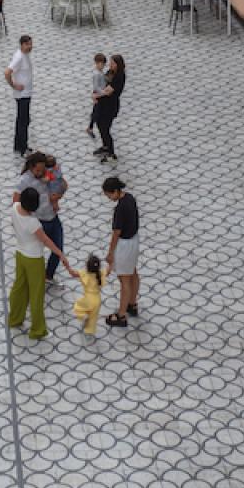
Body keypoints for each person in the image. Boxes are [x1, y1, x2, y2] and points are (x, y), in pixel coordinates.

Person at [7, 185, 72, 340]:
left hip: (20, 253)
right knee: (36, 294)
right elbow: (45, 240)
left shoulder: (15, 208)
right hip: (34, 258)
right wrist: (60, 253)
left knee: (19, 287)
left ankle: (15, 318)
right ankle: (37, 330)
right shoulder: (32, 222)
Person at [14, 152, 68, 281]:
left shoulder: (48, 174)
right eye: (38, 170)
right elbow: (16, 201)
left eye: (42, 169)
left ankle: (48, 275)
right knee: (35, 252)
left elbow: (63, 185)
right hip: (38, 221)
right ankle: (32, 275)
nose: (40, 173)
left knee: (58, 248)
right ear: (31, 167)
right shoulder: (24, 180)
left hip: (53, 218)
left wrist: (58, 196)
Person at [102, 177, 139, 328]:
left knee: (124, 280)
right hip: (134, 240)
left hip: (124, 245)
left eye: (109, 195)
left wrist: (111, 253)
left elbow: (116, 232)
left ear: (116, 191)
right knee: (133, 273)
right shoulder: (130, 198)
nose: (109, 198)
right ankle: (132, 304)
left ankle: (121, 315)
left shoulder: (120, 209)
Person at [5, 34, 35, 155]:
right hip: (22, 95)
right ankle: (23, 147)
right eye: (27, 44)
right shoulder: (19, 57)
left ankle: (18, 145)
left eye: (31, 44)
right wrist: (13, 85)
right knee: (24, 121)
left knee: (22, 120)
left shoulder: (24, 55)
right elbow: (7, 72)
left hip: (26, 93)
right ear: (22, 45)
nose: (30, 46)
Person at [93, 54, 125, 163]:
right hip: (103, 103)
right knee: (99, 124)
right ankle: (105, 146)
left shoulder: (119, 77)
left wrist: (96, 95)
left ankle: (111, 154)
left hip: (110, 106)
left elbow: (108, 91)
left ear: (118, 65)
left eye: (113, 63)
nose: (110, 64)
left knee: (105, 128)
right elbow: (103, 83)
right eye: (110, 62)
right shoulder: (111, 72)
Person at [73, 254, 105, 335]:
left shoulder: (84, 274)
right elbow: (109, 270)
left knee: (78, 307)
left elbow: (73, 273)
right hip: (97, 300)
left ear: (87, 266)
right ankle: (89, 331)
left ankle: (83, 316)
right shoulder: (101, 273)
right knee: (93, 317)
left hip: (88, 298)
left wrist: (67, 266)